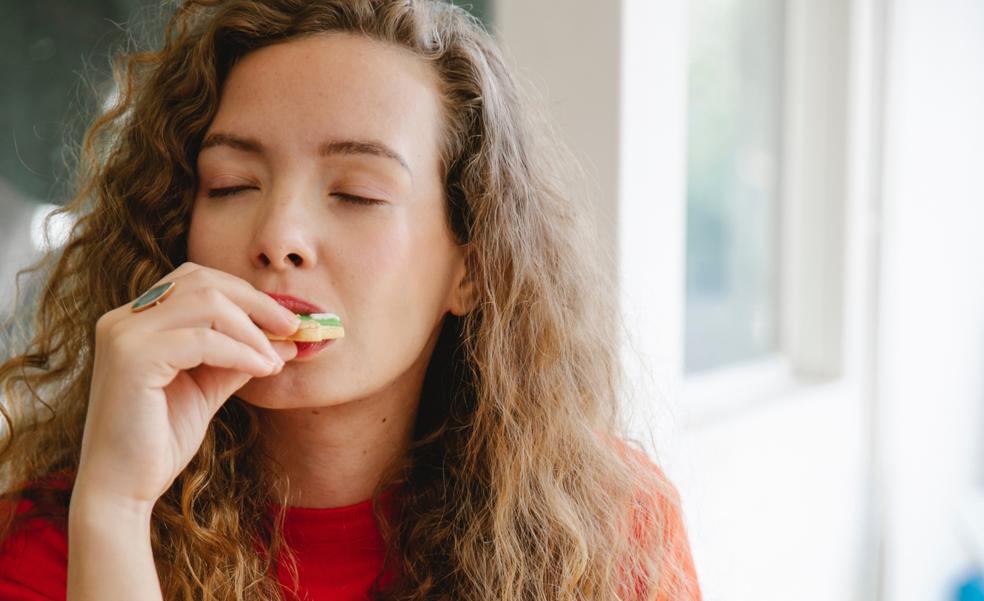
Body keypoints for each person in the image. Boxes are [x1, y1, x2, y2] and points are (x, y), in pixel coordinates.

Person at [0, 1, 702, 599]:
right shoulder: (55, 541)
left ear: (473, 263)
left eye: (357, 194)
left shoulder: (615, 531)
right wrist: (117, 511)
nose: (279, 237)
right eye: (231, 185)